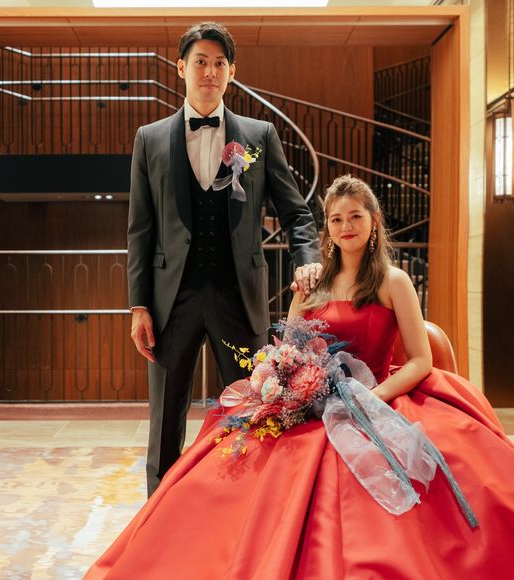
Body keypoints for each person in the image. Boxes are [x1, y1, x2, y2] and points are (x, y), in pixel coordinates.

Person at [86, 174, 514, 579]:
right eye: (336, 219)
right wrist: (286, 383)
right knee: (225, 468)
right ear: (327, 228)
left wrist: (372, 398)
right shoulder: (312, 283)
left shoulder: (393, 280)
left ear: (374, 221)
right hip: (311, 401)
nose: (346, 226)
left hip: (375, 396)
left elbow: (421, 360)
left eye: (356, 216)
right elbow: (287, 348)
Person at [128, 21, 322, 497]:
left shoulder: (259, 135)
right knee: (164, 422)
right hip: (171, 302)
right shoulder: (149, 139)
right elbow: (140, 229)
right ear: (181, 68)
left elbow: (297, 212)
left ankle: (248, 510)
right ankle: (159, 514)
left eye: (219, 63)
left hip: (239, 299)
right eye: (200, 61)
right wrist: (138, 305)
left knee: (254, 414)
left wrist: (308, 258)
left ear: (232, 72)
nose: (210, 71)